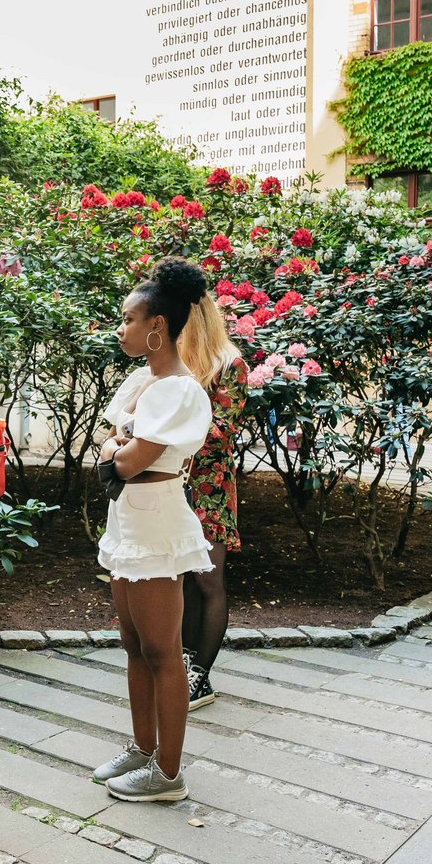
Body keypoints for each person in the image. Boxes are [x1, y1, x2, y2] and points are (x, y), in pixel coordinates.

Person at [94, 256, 213, 802]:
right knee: (133, 645)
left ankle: (168, 774)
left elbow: (125, 461)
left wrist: (118, 447)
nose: (121, 328)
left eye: (127, 319)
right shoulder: (144, 380)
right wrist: (118, 445)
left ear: (156, 329)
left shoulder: (178, 391)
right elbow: (109, 439)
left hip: (157, 521)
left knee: (163, 651)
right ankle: (142, 749)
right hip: (128, 519)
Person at [179, 295, 248, 710]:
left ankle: (200, 677)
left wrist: (162, 442)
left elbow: (221, 430)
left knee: (208, 580)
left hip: (210, 488)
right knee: (184, 579)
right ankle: (183, 667)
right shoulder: (179, 360)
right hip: (174, 483)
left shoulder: (229, 363)